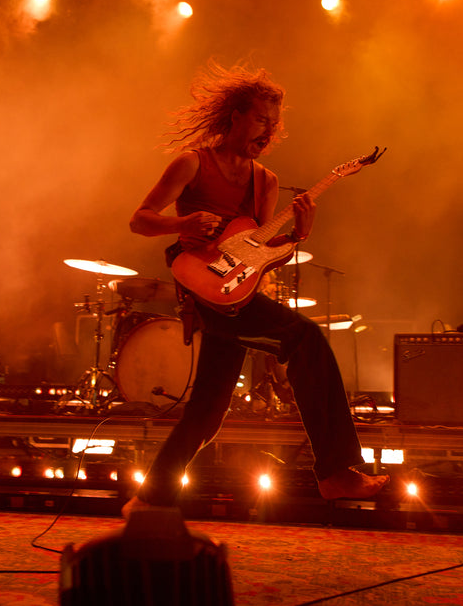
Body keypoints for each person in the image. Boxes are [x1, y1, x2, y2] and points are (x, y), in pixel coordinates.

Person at [123, 61, 388, 516]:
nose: (268, 129)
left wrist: (298, 235)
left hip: (233, 293)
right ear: (235, 116)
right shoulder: (191, 163)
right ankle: (336, 471)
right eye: (261, 118)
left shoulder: (265, 181)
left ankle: (149, 501)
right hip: (198, 284)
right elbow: (139, 219)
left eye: (274, 122)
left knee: (207, 415)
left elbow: (261, 251)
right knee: (306, 338)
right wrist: (181, 221)